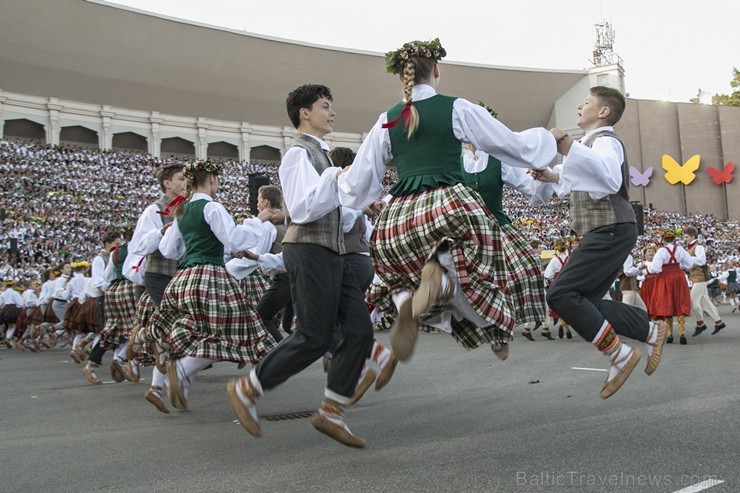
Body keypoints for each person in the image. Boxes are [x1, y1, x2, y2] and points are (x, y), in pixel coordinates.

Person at [337, 38, 556, 368]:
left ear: (401, 78)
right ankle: (448, 287)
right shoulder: (457, 108)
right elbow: (512, 146)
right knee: (485, 260)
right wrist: (548, 140)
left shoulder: (388, 118)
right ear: (437, 70)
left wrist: (334, 179)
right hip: (447, 207)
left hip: (398, 219)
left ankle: (414, 297)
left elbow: (358, 186)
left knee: (406, 272)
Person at [227, 84, 375, 448]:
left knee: (359, 331)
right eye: (325, 106)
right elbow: (303, 208)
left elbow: (336, 217)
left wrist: (351, 188)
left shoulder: (321, 156)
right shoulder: (297, 155)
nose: (333, 112)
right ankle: (248, 387)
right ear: (304, 113)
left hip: (331, 252)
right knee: (313, 335)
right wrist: (337, 179)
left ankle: (331, 411)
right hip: (308, 251)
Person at [532, 86, 667, 398]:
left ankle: (619, 354)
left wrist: (565, 145)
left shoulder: (605, 140)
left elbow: (608, 177)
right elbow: (581, 178)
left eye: (587, 102)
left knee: (561, 294)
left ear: (603, 112)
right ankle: (649, 329)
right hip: (609, 229)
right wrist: (552, 176)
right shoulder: (590, 143)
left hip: (610, 227)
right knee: (584, 303)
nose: (580, 106)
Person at [152, 160, 276, 411]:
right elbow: (234, 242)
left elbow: (168, 249)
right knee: (225, 332)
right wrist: (257, 220)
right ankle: (182, 370)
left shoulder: (182, 210)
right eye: (217, 180)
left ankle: (179, 380)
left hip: (185, 276)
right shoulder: (213, 208)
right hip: (210, 275)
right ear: (210, 179)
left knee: (196, 331)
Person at [646, 230, 694, 344]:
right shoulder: (680, 249)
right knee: (680, 301)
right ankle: (682, 334)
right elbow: (690, 264)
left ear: (663, 240)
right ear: (674, 239)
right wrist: (678, 265)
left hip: (666, 277)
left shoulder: (661, 251)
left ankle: (670, 335)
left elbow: (655, 269)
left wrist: (650, 266)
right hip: (678, 275)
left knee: (667, 302)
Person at [683, 227, 726, 336]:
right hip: (695, 277)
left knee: (692, 302)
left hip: (700, 277)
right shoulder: (690, 248)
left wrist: (687, 260)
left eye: (686, 237)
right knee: (705, 301)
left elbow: (701, 261)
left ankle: (700, 324)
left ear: (693, 236)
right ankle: (718, 322)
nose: (685, 239)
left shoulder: (698, 247)